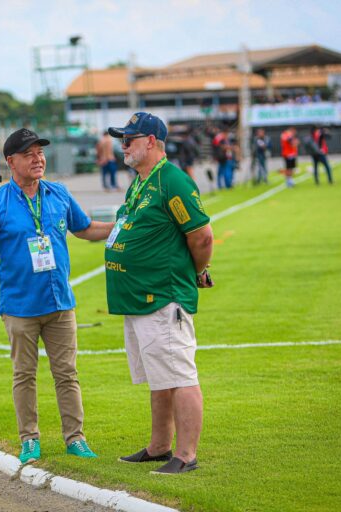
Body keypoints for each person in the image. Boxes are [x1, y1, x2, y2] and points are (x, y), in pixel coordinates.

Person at [0, 128, 114, 464]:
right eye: (29, 154)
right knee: (24, 375)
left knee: (67, 374)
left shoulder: (59, 193)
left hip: (60, 303)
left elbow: (83, 228)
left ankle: (76, 439)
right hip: (20, 306)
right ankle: (29, 439)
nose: (38, 159)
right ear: (10, 162)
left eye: (40, 152)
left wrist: (121, 226)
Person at [104, 112, 213, 475]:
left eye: (130, 139)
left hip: (163, 297)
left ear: (151, 141)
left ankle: (186, 455)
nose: (124, 145)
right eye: (122, 138)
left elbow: (201, 236)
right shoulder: (140, 181)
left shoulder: (172, 181)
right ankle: (158, 447)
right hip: (138, 298)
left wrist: (196, 272)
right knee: (159, 375)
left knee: (179, 375)